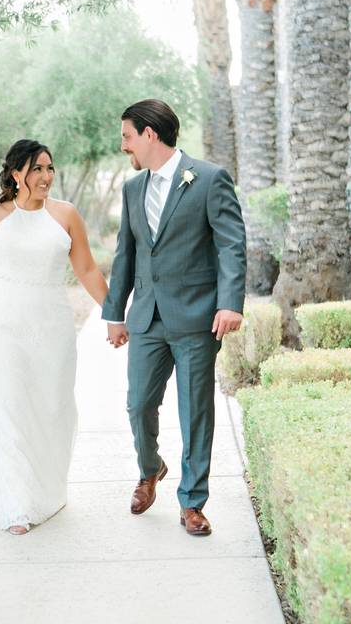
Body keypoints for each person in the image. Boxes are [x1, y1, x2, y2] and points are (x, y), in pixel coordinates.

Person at [0, 139, 109, 535]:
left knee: (54, 408)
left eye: (50, 168)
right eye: (37, 169)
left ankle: (48, 492)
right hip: (2, 325)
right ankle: (16, 505)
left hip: (52, 324)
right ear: (17, 173)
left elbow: (86, 269)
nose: (46, 177)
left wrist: (117, 315)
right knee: (9, 409)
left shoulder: (66, 215)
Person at [102, 99, 246, 537]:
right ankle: (151, 468)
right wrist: (115, 313)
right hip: (147, 317)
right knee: (138, 404)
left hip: (198, 318)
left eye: (127, 136)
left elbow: (230, 245)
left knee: (195, 412)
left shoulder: (207, 179)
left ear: (149, 134)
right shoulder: (132, 189)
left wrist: (230, 302)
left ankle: (192, 502)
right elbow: (125, 253)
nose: (123, 145)